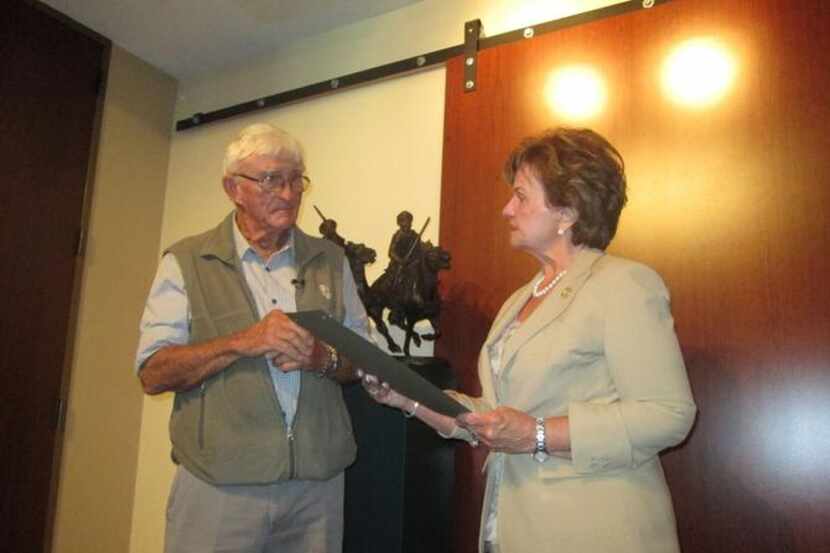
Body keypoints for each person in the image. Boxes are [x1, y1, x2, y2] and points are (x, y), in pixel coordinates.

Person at [360, 128, 697, 553]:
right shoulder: (521, 299)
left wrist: (538, 434)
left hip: (594, 530)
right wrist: (409, 398)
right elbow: (497, 417)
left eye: (521, 196)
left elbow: (668, 414)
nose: (506, 209)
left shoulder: (624, 285)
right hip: (514, 527)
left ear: (568, 210)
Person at [135, 123, 371, 553]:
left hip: (316, 491)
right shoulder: (186, 261)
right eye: (270, 180)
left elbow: (363, 361)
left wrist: (323, 359)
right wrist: (244, 341)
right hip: (220, 487)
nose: (287, 193)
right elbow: (153, 372)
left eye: (295, 179)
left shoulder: (331, 261)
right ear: (233, 188)